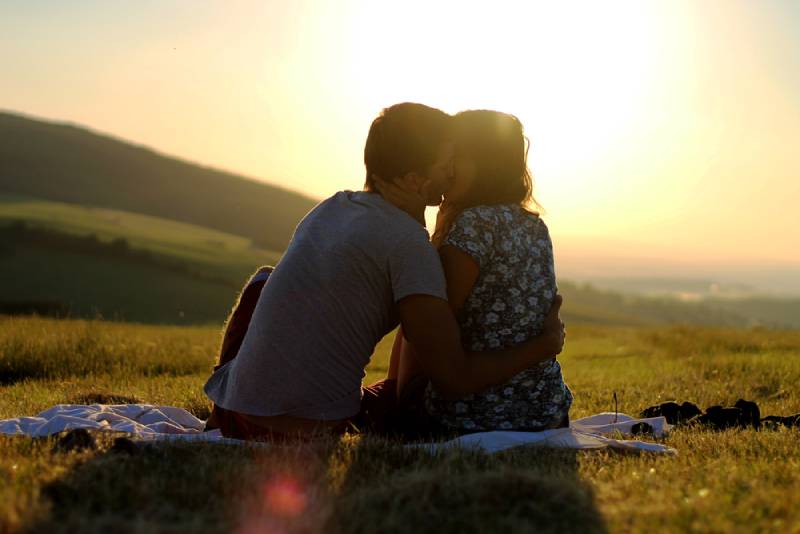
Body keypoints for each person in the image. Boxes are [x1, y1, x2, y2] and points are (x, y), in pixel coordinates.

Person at [203, 103, 565, 440]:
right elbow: (449, 375)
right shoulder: (411, 247)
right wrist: (545, 346)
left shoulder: (330, 208)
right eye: (445, 164)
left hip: (236, 412)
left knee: (264, 281)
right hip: (302, 429)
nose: (451, 173)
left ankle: (226, 408)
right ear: (413, 179)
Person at [385, 110, 573, 433]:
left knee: (418, 312)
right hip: (547, 412)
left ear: (484, 163)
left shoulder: (473, 227)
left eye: (455, 156)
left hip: (471, 417)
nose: (446, 170)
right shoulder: (535, 226)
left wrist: (400, 403)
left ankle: (396, 405)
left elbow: (425, 330)